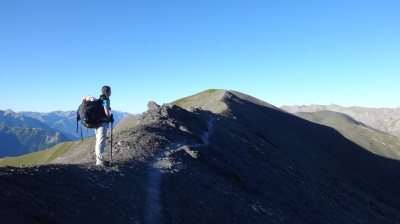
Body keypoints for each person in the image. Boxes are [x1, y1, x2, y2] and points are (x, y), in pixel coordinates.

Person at [95, 85, 113, 167]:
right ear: (108, 92)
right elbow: (106, 113)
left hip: (96, 123)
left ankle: (100, 159)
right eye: (110, 91)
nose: (111, 93)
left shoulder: (99, 99)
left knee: (98, 141)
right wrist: (109, 118)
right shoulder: (105, 100)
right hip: (102, 123)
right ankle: (100, 161)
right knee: (101, 142)